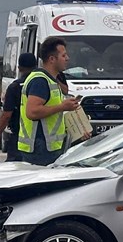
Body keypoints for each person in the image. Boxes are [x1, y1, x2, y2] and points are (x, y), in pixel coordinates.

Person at [18, 38, 81, 166]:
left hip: (48, 146)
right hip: (40, 147)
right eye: (63, 55)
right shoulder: (40, 81)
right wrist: (62, 106)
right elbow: (32, 112)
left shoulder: (51, 80)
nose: (67, 58)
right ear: (52, 59)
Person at [0, 53, 37, 162]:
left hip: (20, 137)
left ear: (19, 68)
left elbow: (7, 115)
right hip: (41, 137)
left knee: (14, 170)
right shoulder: (42, 83)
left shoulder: (15, 87)